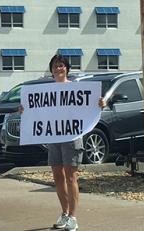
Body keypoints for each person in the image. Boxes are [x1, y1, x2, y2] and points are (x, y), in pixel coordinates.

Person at [32, 55, 105, 231]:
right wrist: (24, 109)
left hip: (72, 137)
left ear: (67, 69)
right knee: (57, 176)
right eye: (55, 66)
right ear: (51, 70)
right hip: (54, 137)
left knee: (71, 176)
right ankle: (65, 213)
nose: (58, 69)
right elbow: (36, 110)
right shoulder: (46, 91)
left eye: (61, 66)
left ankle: (73, 217)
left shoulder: (75, 89)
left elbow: (92, 105)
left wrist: (101, 103)